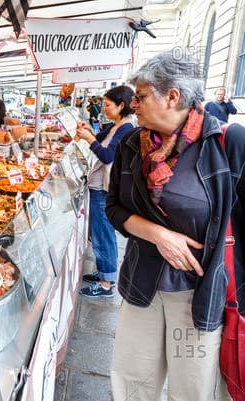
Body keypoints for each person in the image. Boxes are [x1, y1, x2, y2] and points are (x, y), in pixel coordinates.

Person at [106, 49, 245, 401]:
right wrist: (159, 235)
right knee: (132, 383)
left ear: (173, 96)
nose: (133, 105)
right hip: (143, 286)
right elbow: (114, 209)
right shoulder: (129, 145)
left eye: (140, 97)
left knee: (192, 389)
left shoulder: (228, 143)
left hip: (200, 294)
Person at [76, 85, 135, 298]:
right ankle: (104, 272)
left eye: (108, 105)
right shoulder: (115, 126)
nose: (104, 108)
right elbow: (98, 139)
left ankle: (106, 283)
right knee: (99, 233)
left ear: (122, 105)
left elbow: (107, 155)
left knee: (104, 235)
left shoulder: (126, 129)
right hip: (97, 187)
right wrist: (88, 133)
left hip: (104, 189)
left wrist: (90, 139)